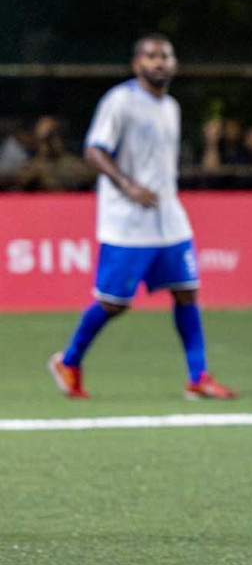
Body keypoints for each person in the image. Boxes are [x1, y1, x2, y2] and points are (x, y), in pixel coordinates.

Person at [47, 36, 237, 400]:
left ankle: (198, 376)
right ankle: (68, 362)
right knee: (114, 302)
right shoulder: (120, 101)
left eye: (165, 56)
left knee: (187, 291)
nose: (159, 62)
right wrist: (128, 185)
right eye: (151, 57)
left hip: (169, 218)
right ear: (137, 65)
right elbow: (94, 150)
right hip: (127, 222)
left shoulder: (171, 107)